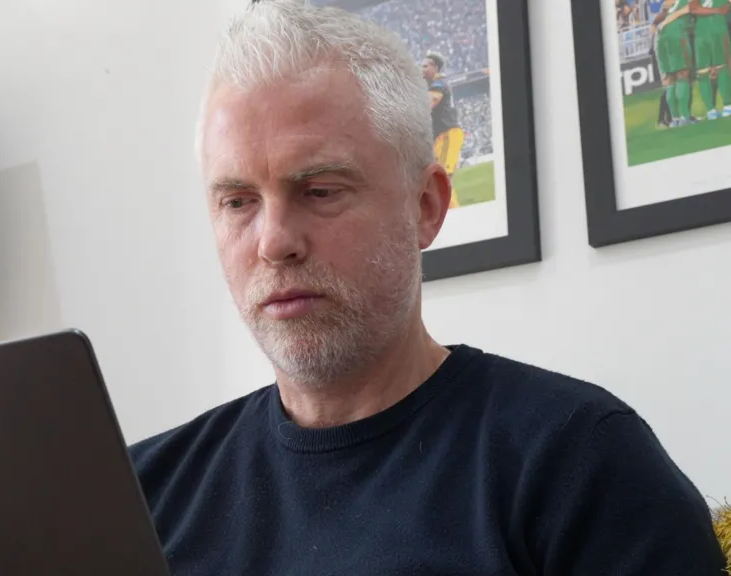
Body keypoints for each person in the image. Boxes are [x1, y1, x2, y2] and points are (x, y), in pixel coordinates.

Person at [129, 1, 727, 574]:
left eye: (320, 191)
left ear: (426, 205)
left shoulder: (580, 464)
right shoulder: (138, 496)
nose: (273, 241)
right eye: (237, 202)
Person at [421, 52, 463, 210]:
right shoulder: (436, 83)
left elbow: (430, 101)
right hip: (441, 137)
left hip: (448, 134)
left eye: (425, 66)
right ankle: (451, 211)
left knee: (443, 179)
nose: (422, 69)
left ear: (435, 67)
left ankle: (454, 213)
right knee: (438, 180)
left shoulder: (439, 82)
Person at [656, 0, 698, 126]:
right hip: (678, 37)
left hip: (662, 39)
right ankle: (685, 117)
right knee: (683, 75)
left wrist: (660, 24)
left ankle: (675, 119)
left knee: (670, 79)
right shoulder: (687, 2)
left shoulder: (669, 5)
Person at [690, 0, 731, 118]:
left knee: (704, 72)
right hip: (717, 30)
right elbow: (694, 8)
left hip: (701, 34)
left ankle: (711, 110)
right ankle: (727, 106)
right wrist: (717, 10)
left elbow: (693, 8)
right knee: (722, 68)